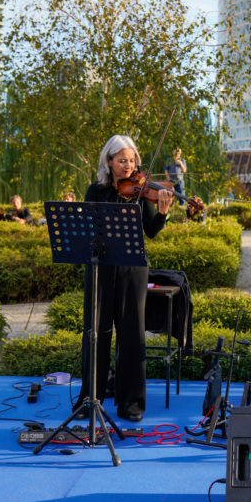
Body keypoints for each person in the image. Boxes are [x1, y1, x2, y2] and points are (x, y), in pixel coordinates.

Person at [77, 134, 174, 423]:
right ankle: (90, 398)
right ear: (109, 161)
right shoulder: (96, 190)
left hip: (133, 268)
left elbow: (151, 231)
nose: (128, 166)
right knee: (95, 333)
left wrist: (163, 213)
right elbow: (88, 229)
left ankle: (131, 403)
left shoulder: (142, 190)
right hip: (101, 267)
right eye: (122, 161)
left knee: (132, 335)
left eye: (132, 161)